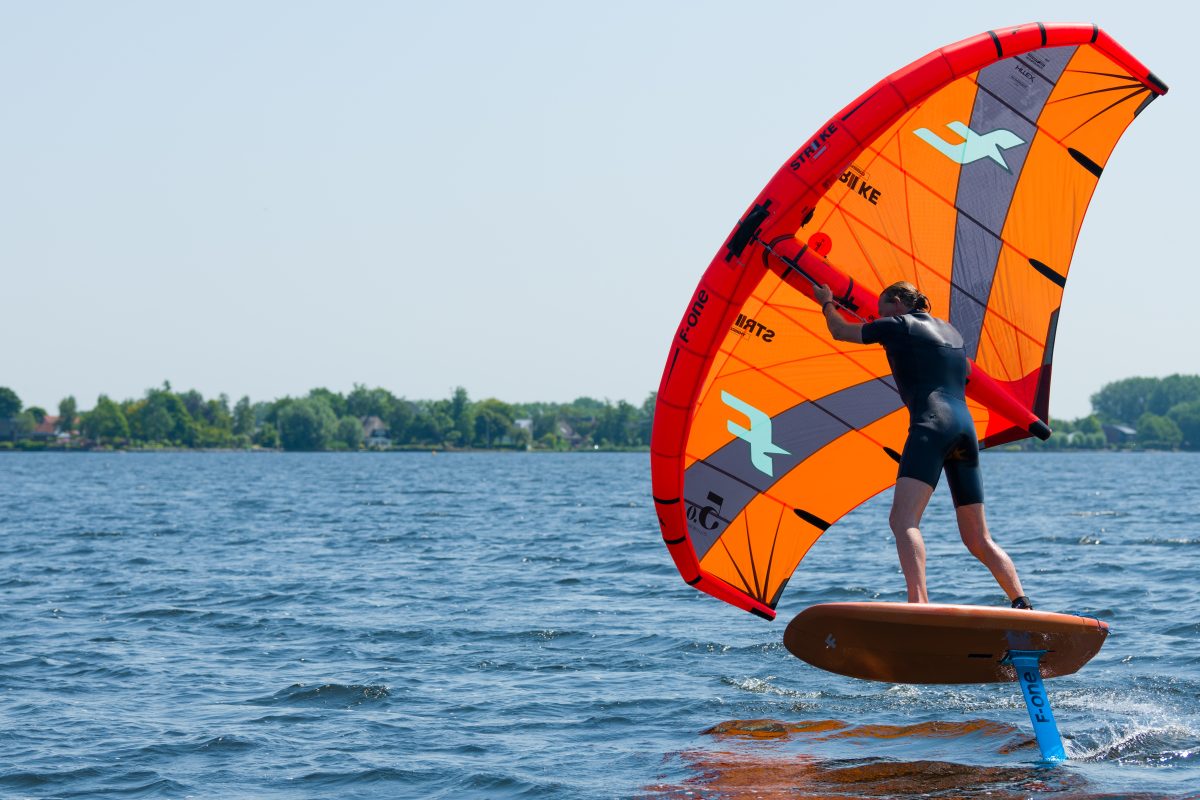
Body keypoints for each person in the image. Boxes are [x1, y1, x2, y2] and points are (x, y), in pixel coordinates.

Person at [813, 280, 1033, 610]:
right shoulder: (952, 333)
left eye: (881, 309)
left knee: (903, 521)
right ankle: (1021, 601)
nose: (877, 316)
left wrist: (827, 302)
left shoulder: (898, 325)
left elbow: (841, 332)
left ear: (898, 303)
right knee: (978, 537)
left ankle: (918, 601)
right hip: (964, 432)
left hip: (931, 426)